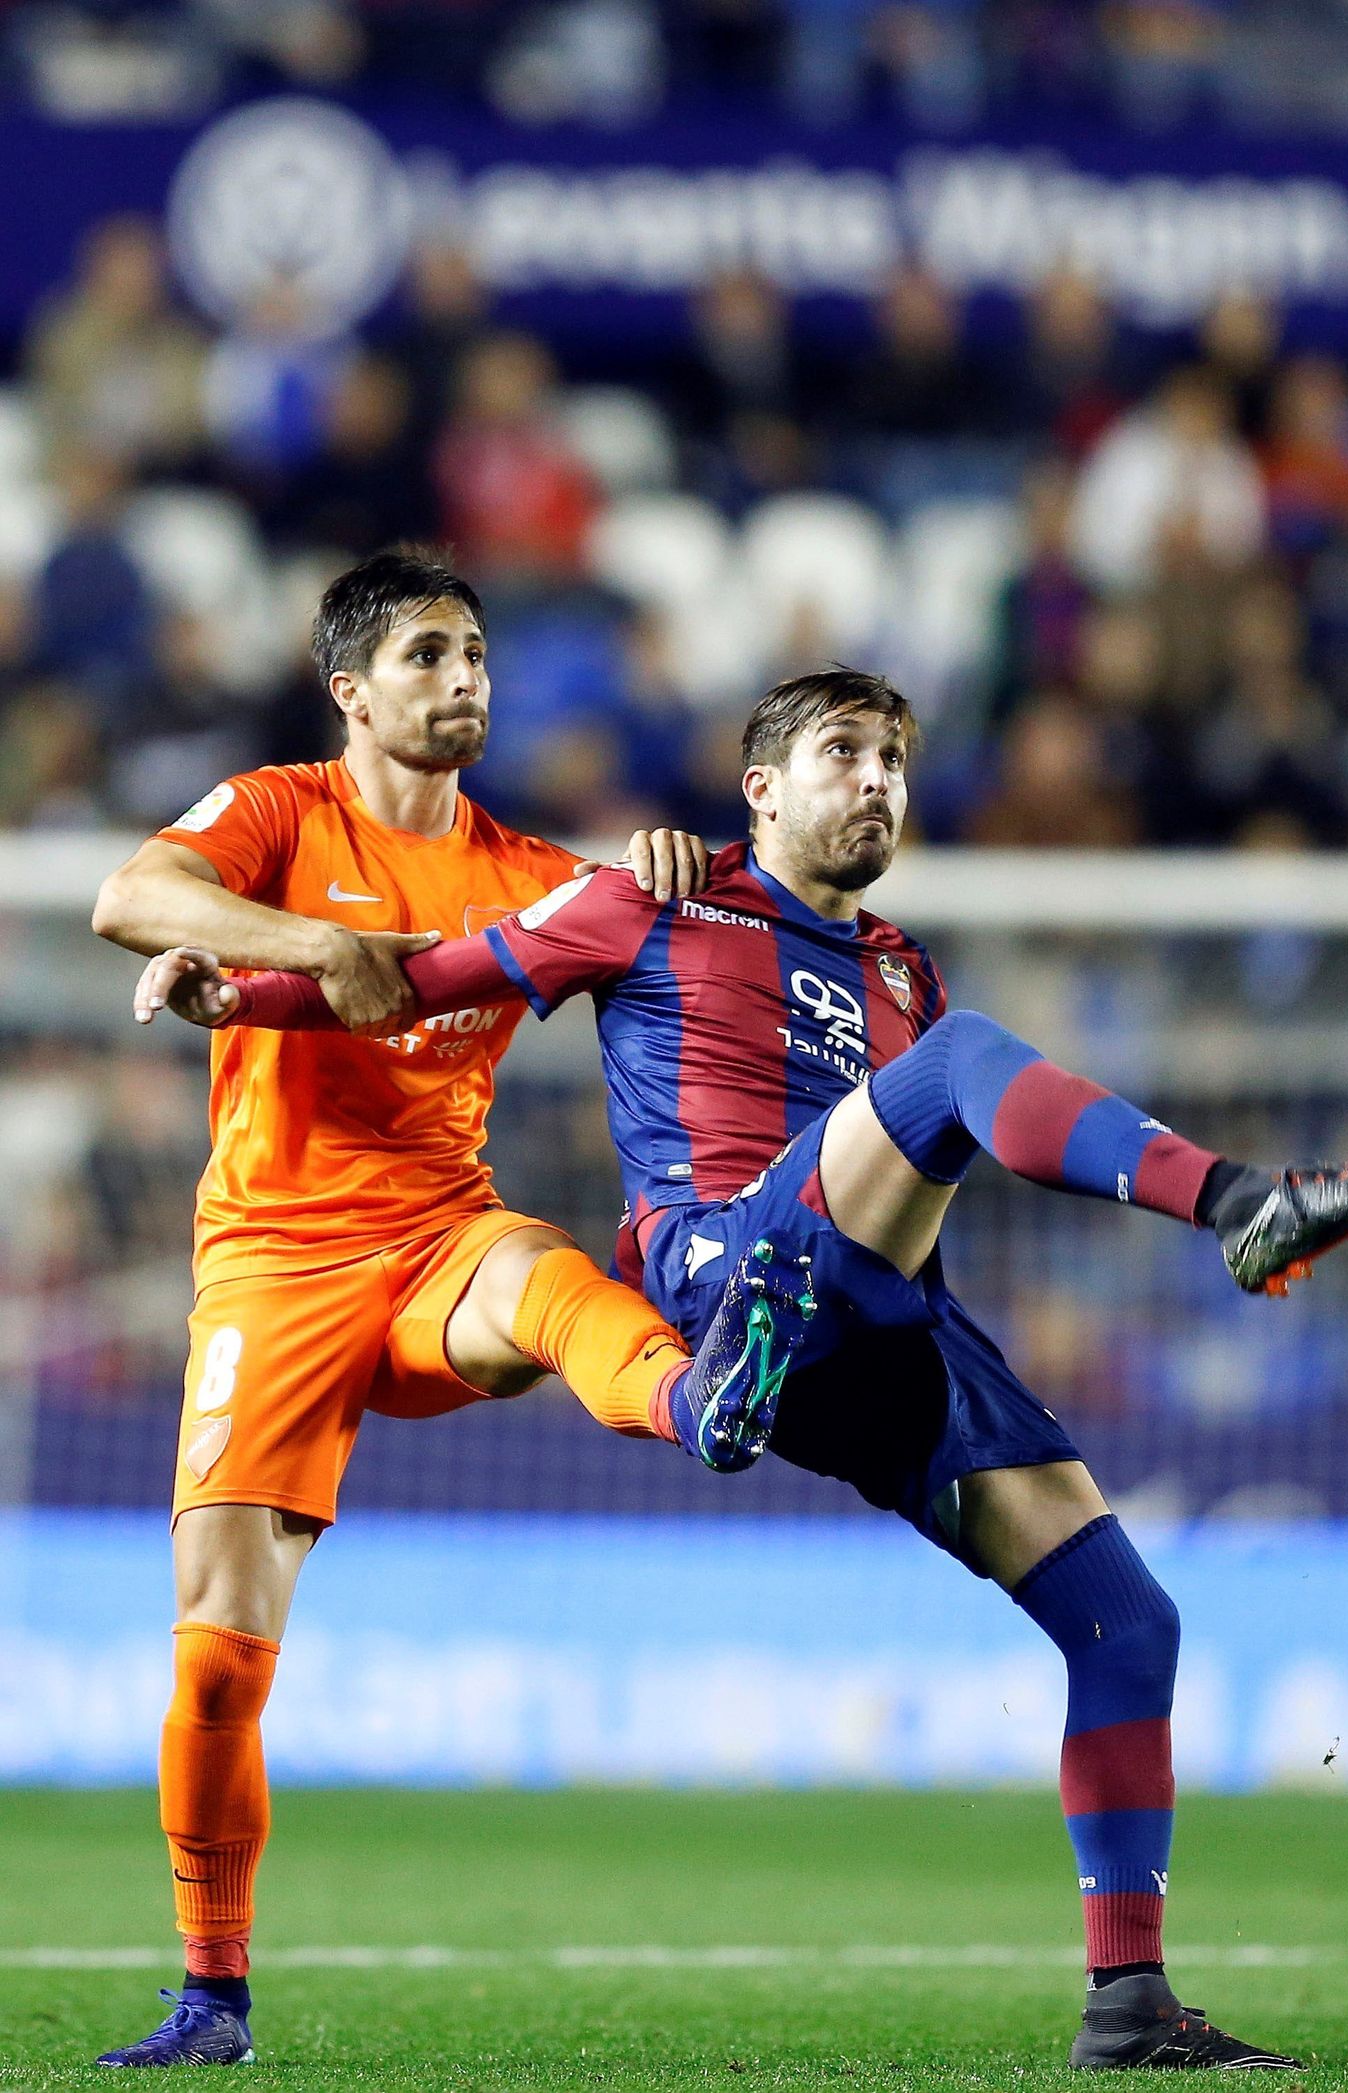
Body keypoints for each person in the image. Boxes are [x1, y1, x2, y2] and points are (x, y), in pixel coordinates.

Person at [151, 667, 1348, 2070]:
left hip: (875, 1318)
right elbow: (421, 978)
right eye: (844, 751)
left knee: (1128, 1624)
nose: (878, 777)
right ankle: (1240, 1201)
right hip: (731, 1265)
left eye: (895, 754)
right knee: (957, 1067)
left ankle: (1128, 2001)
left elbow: (933, 1161)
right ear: (761, 786)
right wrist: (243, 987)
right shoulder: (653, 896)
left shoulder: (903, 967)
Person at [88, 545, 809, 2069]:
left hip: (432, 1241)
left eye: (475, 652)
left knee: (541, 1281)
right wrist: (300, 946)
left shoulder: (533, 874)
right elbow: (133, 895)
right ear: (351, 689)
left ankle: (706, 1398)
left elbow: (666, 938)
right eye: (426, 654)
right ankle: (212, 1993)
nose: (461, 676)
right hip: (271, 1265)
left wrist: (681, 865)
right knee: (218, 1654)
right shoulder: (284, 809)